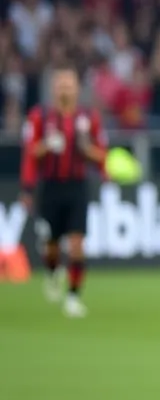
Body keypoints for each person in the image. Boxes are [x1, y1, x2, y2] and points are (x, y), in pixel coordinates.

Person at [19, 68, 106, 318]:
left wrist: (85, 148)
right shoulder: (39, 116)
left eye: (70, 84)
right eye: (61, 85)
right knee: (51, 247)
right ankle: (52, 269)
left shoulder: (88, 118)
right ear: (54, 89)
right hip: (50, 187)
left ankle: (73, 297)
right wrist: (46, 147)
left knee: (77, 245)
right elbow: (29, 153)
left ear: (77, 89)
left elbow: (101, 154)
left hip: (77, 187)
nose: (65, 89)